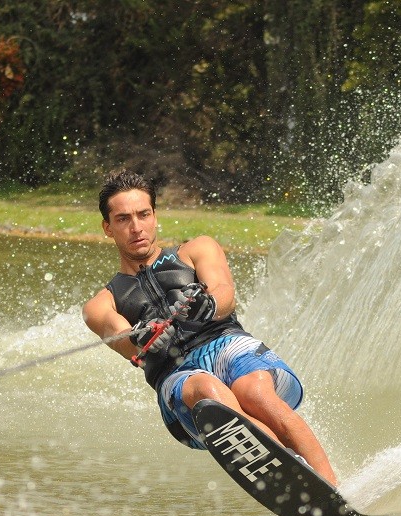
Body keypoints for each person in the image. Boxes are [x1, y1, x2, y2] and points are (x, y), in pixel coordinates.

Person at [82, 169, 338, 486]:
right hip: (176, 375)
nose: (136, 227)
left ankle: (333, 489)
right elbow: (122, 339)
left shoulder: (197, 249)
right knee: (207, 391)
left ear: (154, 216)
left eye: (143, 214)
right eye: (123, 219)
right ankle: (293, 477)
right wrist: (142, 338)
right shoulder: (100, 304)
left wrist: (210, 304)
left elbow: (224, 291)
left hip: (225, 342)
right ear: (107, 227)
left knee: (256, 393)